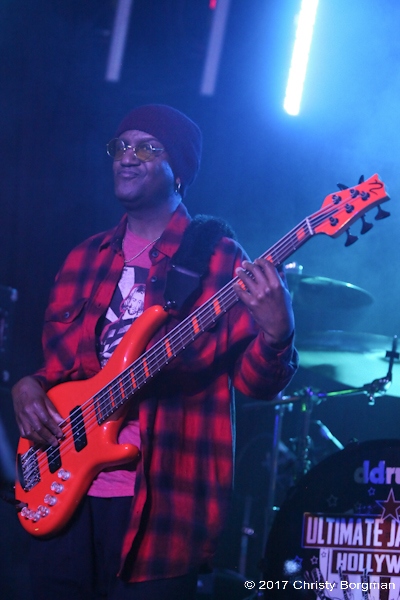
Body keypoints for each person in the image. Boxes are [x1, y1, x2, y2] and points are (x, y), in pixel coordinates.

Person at [12, 104, 298, 600]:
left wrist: (278, 335)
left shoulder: (220, 260)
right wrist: (27, 385)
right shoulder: (84, 257)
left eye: (148, 147)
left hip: (162, 509)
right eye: (121, 146)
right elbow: (62, 372)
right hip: (62, 495)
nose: (128, 156)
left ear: (178, 170)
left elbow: (255, 384)